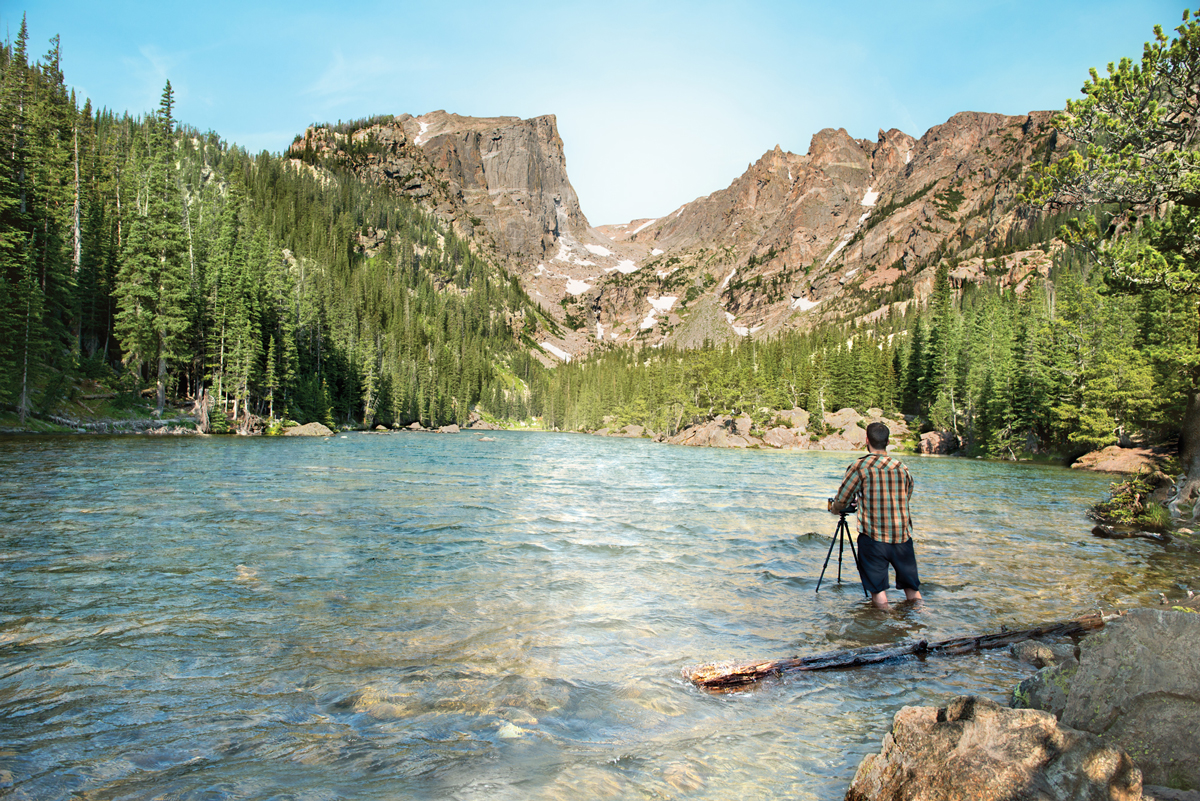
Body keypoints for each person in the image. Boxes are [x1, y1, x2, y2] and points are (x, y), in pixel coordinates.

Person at [828, 422, 922, 610]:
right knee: (912, 588)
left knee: (878, 592)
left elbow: (843, 499)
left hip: (874, 538)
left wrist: (835, 509)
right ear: (887, 442)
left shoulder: (860, 467)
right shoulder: (902, 468)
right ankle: (919, 623)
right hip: (902, 537)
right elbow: (907, 495)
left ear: (866, 440)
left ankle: (882, 629)